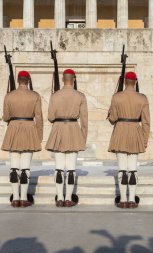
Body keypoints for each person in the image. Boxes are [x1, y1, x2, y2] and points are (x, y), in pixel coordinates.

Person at [108, 71, 150, 209]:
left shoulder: (116, 97)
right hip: (135, 132)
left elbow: (113, 119)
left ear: (125, 82)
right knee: (132, 169)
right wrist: (144, 140)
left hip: (120, 131)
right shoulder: (142, 98)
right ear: (136, 82)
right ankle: (132, 200)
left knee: (122, 169)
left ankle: (123, 199)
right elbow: (146, 122)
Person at [46, 69, 88, 207]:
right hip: (73, 130)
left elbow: (50, 117)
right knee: (71, 168)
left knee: (58, 167)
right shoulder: (80, 96)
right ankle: (68, 198)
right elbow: (84, 120)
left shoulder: (55, 95)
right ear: (74, 79)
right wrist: (82, 138)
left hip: (58, 130)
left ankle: (59, 198)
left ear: (63, 79)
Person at [1, 71, 43, 208]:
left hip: (13, 129)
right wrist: (39, 136)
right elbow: (39, 117)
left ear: (18, 80)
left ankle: (15, 198)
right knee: (25, 168)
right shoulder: (35, 96)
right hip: (29, 128)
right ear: (28, 81)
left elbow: (6, 117)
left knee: (14, 168)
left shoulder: (9, 96)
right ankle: (24, 199)